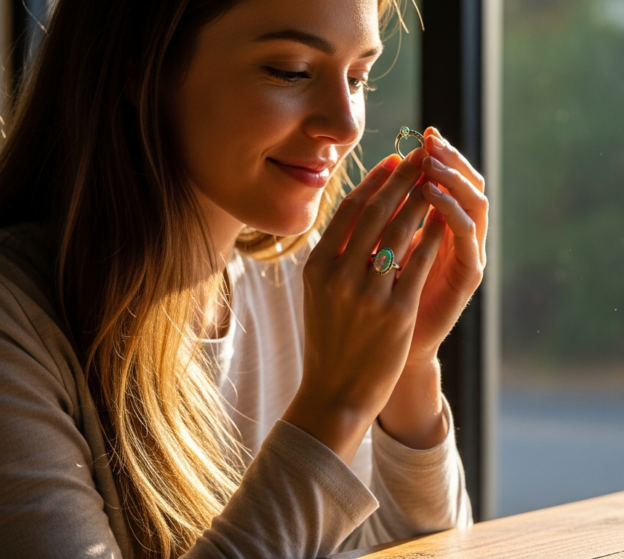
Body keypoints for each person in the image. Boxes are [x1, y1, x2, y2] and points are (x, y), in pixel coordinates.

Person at [0, 0, 487, 557]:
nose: (347, 125)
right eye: (292, 71)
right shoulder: (17, 325)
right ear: (140, 68)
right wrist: (335, 409)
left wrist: (409, 365)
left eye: (359, 77)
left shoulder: (304, 282)